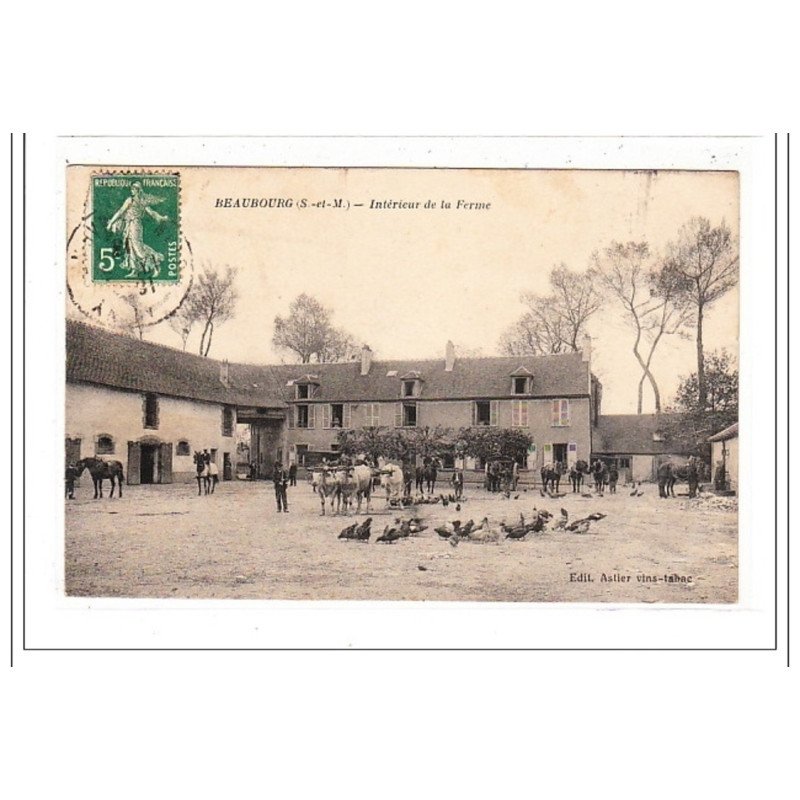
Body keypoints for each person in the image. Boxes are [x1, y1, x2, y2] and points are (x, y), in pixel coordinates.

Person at [106, 181, 169, 277]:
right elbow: (121, 212)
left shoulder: (137, 201)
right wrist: (112, 222)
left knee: (138, 248)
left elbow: (151, 212)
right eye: (131, 189)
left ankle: (155, 265)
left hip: (135, 225)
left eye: (134, 189)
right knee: (130, 247)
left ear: (138, 190)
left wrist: (160, 218)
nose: (132, 190)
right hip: (129, 225)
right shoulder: (133, 200)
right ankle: (134, 270)